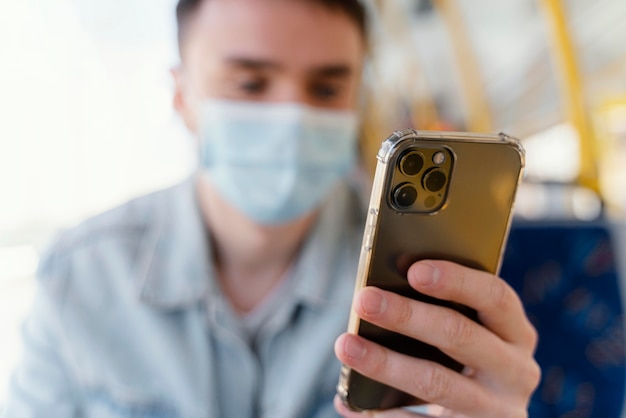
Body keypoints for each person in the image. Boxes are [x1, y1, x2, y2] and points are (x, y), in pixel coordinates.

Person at [3, 0, 540, 417]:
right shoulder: (77, 278)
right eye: (250, 82)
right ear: (182, 96)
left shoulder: (431, 279)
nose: (291, 115)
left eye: (327, 88)